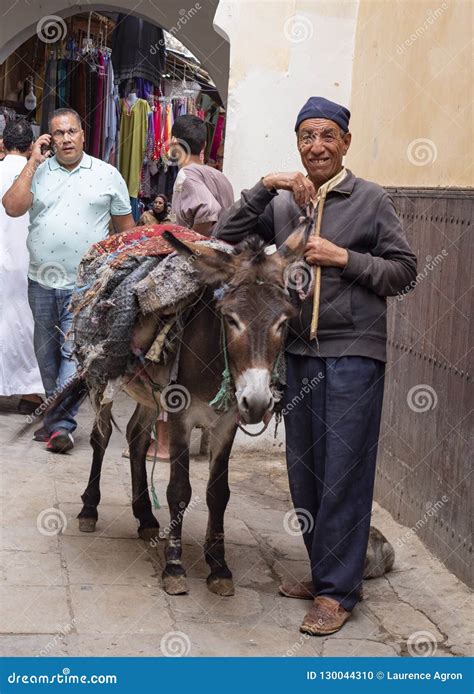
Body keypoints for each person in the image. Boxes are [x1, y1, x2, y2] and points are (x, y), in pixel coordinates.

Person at [214, 96, 417, 636]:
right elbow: (225, 236)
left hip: (353, 353)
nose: (317, 146)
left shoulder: (370, 199)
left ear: (345, 142)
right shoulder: (284, 204)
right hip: (299, 355)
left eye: (328, 136)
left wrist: (344, 258)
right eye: (307, 137)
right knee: (305, 475)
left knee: (343, 474)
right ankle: (325, 571)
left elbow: (405, 271)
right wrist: (268, 183)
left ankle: (336, 592)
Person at [2, 108, 135, 453]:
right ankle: (54, 417)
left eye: (71, 131)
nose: (65, 139)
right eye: (58, 133)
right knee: (45, 355)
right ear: (49, 139)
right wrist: (32, 162)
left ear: (82, 134)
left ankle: (61, 425)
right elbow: (12, 207)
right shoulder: (39, 172)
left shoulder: (107, 175)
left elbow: (126, 231)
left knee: (72, 354)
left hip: (86, 284)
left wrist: (120, 276)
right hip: (41, 281)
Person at [0, 119, 43, 412]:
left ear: (2, 145)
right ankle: (30, 393)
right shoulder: (38, 177)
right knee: (26, 322)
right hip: (27, 260)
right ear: (31, 148)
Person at [170, 115, 234, 236]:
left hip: (201, 253)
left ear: (174, 141)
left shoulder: (185, 175)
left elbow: (209, 210)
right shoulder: (220, 176)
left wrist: (191, 248)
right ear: (204, 145)